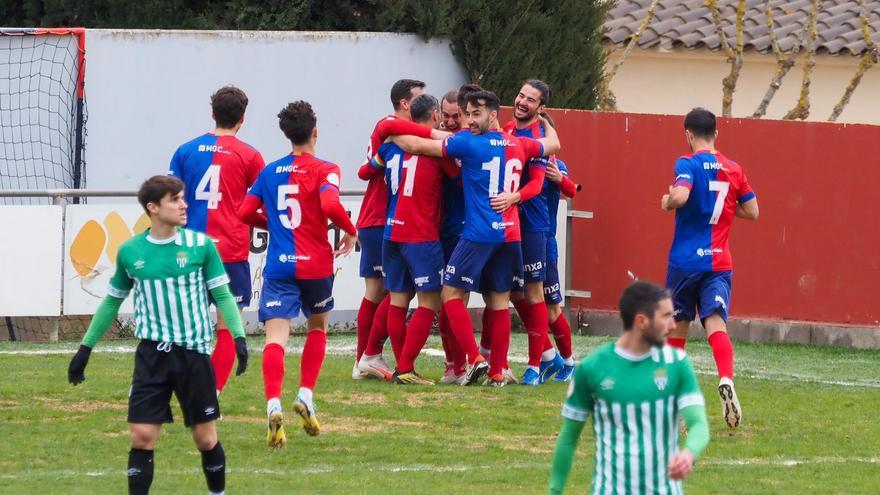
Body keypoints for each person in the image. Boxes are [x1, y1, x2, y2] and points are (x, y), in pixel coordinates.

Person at [67, 175, 249, 495]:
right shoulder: (130, 252)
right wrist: (85, 349)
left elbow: (222, 295)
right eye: (175, 199)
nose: (184, 204)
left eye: (182, 198)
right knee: (142, 436)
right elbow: (112, 300)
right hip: (152, 356)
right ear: (153, 207)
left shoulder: (200, 246)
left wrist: (238, 337)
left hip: (193, 355)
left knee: (205, 438)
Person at [390, 90, 560, 386]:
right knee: (499, 301)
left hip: (477, 234)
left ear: (494, 114)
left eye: (475, 114)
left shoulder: (469, 143)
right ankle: (497, 372)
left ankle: (475, 358)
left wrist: (391, 133)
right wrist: (545, 122)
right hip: (510, 236)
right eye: (467, 114)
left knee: (450, 294)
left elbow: (417, 144)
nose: (469, 120)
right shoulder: (519, 143)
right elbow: (554, 143)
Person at [238, 100, 357, 448]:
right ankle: (305, 394)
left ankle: (273, 402)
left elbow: (245, 211)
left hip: (279, 265)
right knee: (318, 326)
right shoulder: (326, 168)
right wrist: (350, 230)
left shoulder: (270, 172)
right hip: (316, 263)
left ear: (286, 135)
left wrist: (272, 224)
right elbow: (331, 205)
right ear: (315, 132)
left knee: (276, 337)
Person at [548, 281, 710, 495]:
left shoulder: (677, 363)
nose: (673, 325)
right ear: (641, 321)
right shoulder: (592, 368)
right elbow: (569, 437)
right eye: (666, 316)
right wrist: (555, 490)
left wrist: (689, 454)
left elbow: (699, 424)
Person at [661, 107, 758, 428]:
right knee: (716, 324)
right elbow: (753, 211)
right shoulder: (734, 168)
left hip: (685, 262)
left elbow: (682, 195)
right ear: (715, 133)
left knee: (677, 330)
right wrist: (726, 209)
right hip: (719, 261)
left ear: (688, 134)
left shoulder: (686, 163)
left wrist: (668, 200)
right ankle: (726, 378)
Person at [168, 85, 264, 395]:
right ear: (243, 119)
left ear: (212, 114)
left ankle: (177, 387)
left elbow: (170, 200)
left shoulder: (185, 151)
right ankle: (210, 396)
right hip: (230, 253)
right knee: (226, 328)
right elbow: (260, 204)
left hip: (190, 250)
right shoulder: (249, 156)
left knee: (185, 328)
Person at [354, 79, 447, 381]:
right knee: (386, 294)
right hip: (391, 222)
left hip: (389, 224)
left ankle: (376, 359)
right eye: (419, 98)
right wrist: (442, 136)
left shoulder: (394, 142)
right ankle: (372, 358)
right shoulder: (392, 126)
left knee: (391, 295)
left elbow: (365, 170)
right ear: (406, 104)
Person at [371, 94, 458, 385]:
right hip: (420, 234)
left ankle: (402, 366)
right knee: (430, 301)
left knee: (398, 299)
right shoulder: (435, 150)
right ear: (435, 114)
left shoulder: (391, 146)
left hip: (391, 231)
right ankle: (406, 367)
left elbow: (366, 170)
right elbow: (457, 177)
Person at [502, 79, 571, 385]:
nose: (522, 102)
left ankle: (542, 365)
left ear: (541, 108)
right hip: (507, 223)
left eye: (530, 100)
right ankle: (549, 358)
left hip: (534, 228)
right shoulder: (506, 130)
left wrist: (515, 197)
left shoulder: (540, 138)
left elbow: (565, 188)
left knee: (541, 300)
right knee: (509, 292)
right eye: (520, 95)